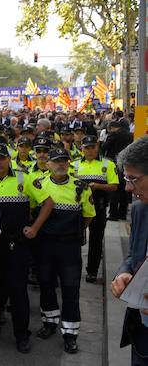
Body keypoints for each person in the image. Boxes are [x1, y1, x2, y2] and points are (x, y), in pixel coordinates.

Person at [27, 148, 95, 354]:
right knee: (46, 283)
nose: (61, 164)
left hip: (69, 246)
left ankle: (70, 333)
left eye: (64, 161)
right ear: (48, 164)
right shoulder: (38, 183)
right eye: (56, 161)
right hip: (45, 244)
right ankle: (49, 323)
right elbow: (31, 210)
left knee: (70, 289)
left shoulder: (81, 187)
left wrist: (72, 233)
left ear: (69, 163)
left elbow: (88, 216)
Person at [0, 143, 33, 353]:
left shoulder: (24, 177)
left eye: (2, 158)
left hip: (18, 244)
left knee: (18, 290)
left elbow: (46, 202)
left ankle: (22, 335)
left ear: (9, 159)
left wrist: (34, 227)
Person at [110, 137, 148, 365]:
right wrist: (125, 274)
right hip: (142, 334)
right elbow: (134, 256)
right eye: (126, 178)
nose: (127, 188)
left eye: (133, 179)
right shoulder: (141, 210)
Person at [73, 135, 120, 283]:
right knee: (73, 239)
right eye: (87, 147)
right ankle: (72, 270)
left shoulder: (108, 164)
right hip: (77, 207)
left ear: (97, 147)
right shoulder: (74, 165)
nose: (90, 150)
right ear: (82, 148)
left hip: (98, 206)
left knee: (96, 240)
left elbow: (114, 186)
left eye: (93, 147)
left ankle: (92, 271)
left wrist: (98, 186)